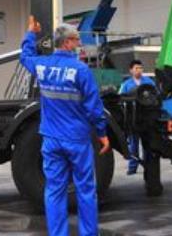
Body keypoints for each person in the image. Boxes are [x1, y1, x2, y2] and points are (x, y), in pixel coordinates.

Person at [20, 18, 110, 236]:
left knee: (55, 191)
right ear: (67, 43)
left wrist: (30, 34)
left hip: (51, 139)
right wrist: (101, 133)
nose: (79, 44)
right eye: (77, 40)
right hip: (77, 140)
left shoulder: (42, 66)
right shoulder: (81, 70)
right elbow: (93, 107)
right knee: (86, 190)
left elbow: (25, 57)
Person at [119, 60, 156, 175]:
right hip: (133, 120)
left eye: (140, 68)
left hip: (147, 119)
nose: (139, 70)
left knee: (147, 146)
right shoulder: (126, 85)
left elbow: (156, 96)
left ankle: (148, 167)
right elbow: (120, 99)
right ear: (131, 70)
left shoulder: (149, 82)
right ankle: (132, 167)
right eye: (136, 68)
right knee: (133, 145)